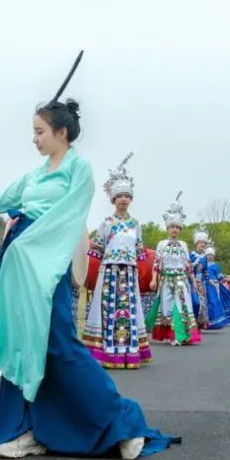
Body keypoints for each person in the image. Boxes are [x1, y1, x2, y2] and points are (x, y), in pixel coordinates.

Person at [0, 54, 177, 460]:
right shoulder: (33, 176)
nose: (34, 139)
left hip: (48, 262)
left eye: (40, 131)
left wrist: (27, 247)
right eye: (33, 131)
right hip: (19, 264)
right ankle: (27, 429)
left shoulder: (79, 170)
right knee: (22, 345)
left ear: (61, 132)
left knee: (60, 344)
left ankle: (123, 422)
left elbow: (67, 218)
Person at [82, 153, 152, 369]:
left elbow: (140, 253)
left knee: (128, 311)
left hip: (129, 274)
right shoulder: (106, 223)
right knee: (108, 310)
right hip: (109, 273)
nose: (123, 199)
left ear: (130, 199)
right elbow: (97, 251)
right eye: (119, 196)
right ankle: (105, 352)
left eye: (126, 196)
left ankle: (129, 352)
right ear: (113, 199)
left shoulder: (136, 224)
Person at [146, 193, 201, 345]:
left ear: (180, 229)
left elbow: (188, 265)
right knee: (167, 307)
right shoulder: (162, 244)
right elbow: (157, 263)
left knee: (182, 305)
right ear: (167, 228)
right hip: (166, 280)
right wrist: (153, 279)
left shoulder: (183, 244)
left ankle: (180, 335)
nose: (175, 230)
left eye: (177, 227)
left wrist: (193, 281)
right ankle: (172, 334)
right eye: (172, 227)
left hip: (181, 280)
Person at [189, 227, 211, 328]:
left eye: (205, 244)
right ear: (196, 244)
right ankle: (191, 321)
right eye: (201, 243)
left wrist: (208, 279)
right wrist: (195, 264)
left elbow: (205, 270)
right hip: (191, 282)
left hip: (201, 283)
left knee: (202, 303)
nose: (203, 245)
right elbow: (188, 267)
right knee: (194, 302)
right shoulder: (191, 255)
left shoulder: (205, 258)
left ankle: (200, 322)